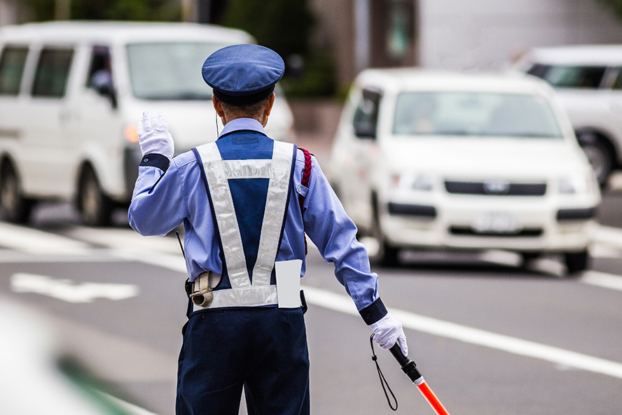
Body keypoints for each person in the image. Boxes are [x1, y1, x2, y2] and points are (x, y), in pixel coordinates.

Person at [128, 44, 407, 415]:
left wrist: (155, 159)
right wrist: (376, 314)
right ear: (271, 104)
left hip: (213, 321)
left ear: (216, 105)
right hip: (282, 321)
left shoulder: (192, 166)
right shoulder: (301, 165)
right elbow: (342, 242)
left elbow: (143, 219)